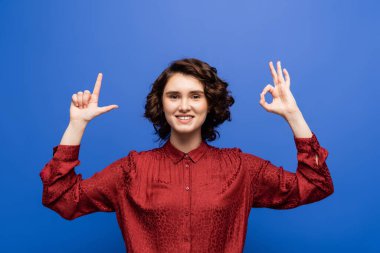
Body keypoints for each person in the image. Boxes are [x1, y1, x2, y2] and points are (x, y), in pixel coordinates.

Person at [39, 58, 334, 253]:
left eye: (195, 96)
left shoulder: (241, 168)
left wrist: (293, 115)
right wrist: (76, 125)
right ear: (161, 104)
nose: (184, 106)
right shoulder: (132, 170)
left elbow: (315, 185)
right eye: (174, 96)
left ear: (210, 104)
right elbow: (61, 198)